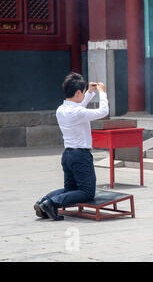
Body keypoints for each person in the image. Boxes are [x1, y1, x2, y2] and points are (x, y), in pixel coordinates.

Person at [34, 73, 109, 220]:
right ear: (77, 92)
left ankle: (43, 202)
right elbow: (103, 112)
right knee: (87, 192)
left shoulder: (61, 109)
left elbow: (78, 105)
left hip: (68, 155)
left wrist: (89, 92)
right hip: (80, 155)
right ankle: (52, 202)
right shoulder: (77, 112)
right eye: (83, 91)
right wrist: (102, 93)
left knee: (71, 190)